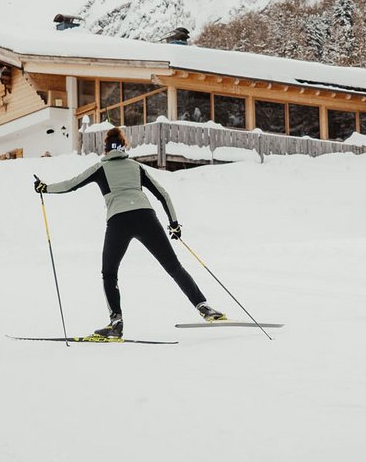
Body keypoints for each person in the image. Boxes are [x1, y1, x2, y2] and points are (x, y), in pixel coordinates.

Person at [35, 127, 228, 339]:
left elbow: (71, 185)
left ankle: (116, 323)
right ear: (123, 147)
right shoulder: (136, 167)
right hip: (146, 217)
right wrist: (174, 223)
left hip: (119, 221)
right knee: (173, 266)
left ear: (106, 149)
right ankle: (204, 308)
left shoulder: (100, 168)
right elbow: (162, 194)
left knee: (109, 273)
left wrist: (45, 188)